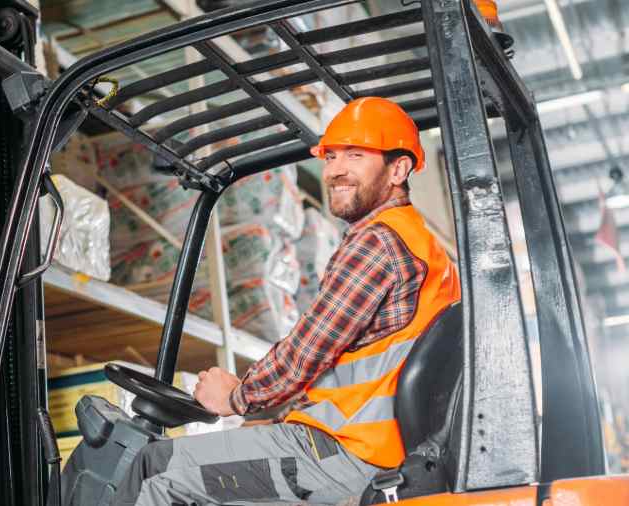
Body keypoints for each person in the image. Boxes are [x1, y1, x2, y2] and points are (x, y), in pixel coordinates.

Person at [110, 97, 461, 506]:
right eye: (330, 157)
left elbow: (305, 354)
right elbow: (342, 367)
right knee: (157, 460)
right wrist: (269, 417)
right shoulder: (416, 240)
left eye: (355, 155)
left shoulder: (378, 243)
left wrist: (236, 397)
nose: (336, 170)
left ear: (398, 168)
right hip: (358, 443)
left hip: (350, 452)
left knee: (158, 479)